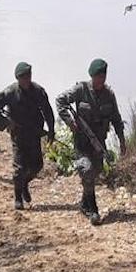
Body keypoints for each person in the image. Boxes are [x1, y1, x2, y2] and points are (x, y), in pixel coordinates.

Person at [55, 59, 126, 225]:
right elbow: (60, 101)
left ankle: (84, 203)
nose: (100, 80)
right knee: (86, 170)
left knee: (95, 172)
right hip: (81, 141)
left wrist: (122, 141)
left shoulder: (109, 95)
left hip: (99, 143)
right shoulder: (81, 90)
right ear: (92, 76)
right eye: (97, 76)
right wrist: (70, 122)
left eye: (103, 76)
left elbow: (116, 118)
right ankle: (93, 209)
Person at [0, 62, 56, 210]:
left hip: (34, 134)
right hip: (18, 135)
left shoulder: (38, 91)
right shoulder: (10, 92)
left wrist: (51, 130)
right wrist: (6, 123)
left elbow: (48, 111)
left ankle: (24, 183)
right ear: (18, 78)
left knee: (37, 166)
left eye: (28, 76)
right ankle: (18, 197)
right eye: (23, 77)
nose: (26, 80)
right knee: (19, 168)